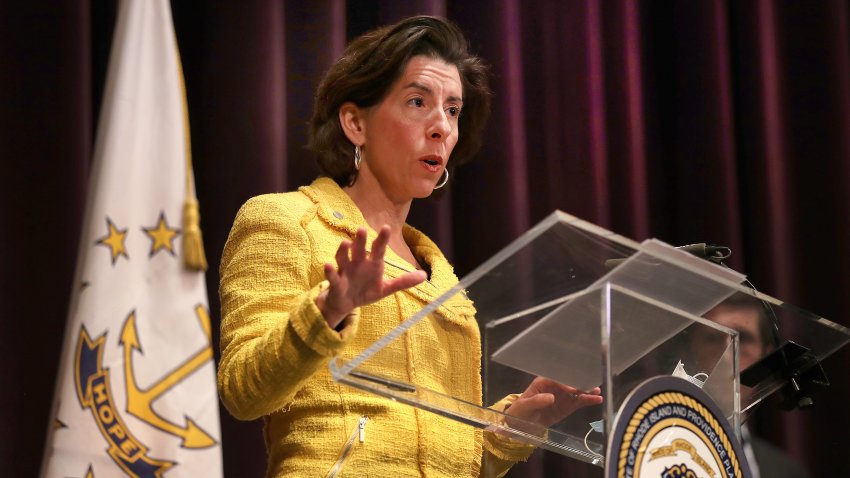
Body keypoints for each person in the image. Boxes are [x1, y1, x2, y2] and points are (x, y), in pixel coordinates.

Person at [217, 16, 602, 477]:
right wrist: (328, 310)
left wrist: (519, 422)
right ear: (356, 123)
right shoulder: (286, 221)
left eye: (453, 110)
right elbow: (243, 390)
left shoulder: (441, 275)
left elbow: (451, 456)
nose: (441, 126)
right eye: (418, 102)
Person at [702, 292, 812, 478]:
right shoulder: (657, 444)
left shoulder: (789, 472)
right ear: (691, 350)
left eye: (742, 339)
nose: (727, 356)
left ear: (765, 358)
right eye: (713, 338)